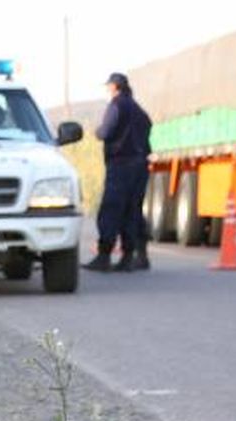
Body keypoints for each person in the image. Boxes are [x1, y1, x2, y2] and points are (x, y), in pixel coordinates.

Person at [85, 72, 153, 272]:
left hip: (121, 164)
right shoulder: (138, 109)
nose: (108, 90)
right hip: (140, 165)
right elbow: (148, 126)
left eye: (109, 86)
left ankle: (104, 256)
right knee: (132, 210)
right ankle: (131, 256)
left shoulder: (116, 105)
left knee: (112, 209)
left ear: (115, 87)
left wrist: (98, 131)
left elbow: (105, 131)